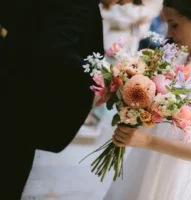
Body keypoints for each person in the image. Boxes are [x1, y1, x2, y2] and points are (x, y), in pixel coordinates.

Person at [0, 0, 143, 199]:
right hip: (19, 108)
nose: (116, 5)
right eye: (120, 0)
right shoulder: (79, 4)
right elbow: (56, 51)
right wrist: (107, 76)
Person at [103, 0, 191, 199]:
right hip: (143, 158)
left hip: (165, 172)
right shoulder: (179, 55)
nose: (169, 33)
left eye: (174, 25)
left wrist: (148, 141)